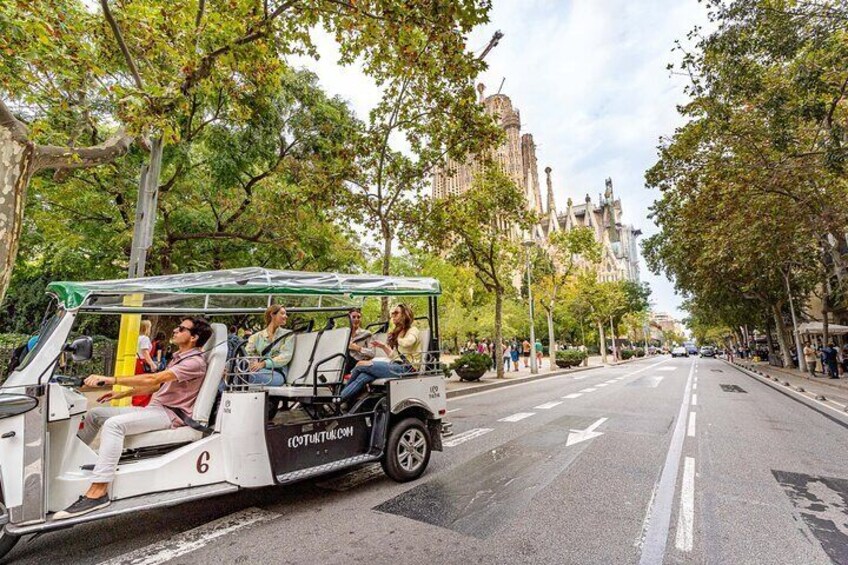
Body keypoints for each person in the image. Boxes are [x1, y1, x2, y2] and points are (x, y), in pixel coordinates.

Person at [54, 317, 212, 520]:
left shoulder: (194, 362)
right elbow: (156, 386)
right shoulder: (180, 357)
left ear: (194, 337)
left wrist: (113, 380)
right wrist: (121, 393)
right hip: (156, 408)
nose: (175, 330)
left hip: (170, 414)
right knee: (95, 415)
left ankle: (98, 491)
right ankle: (70, 460)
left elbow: (153, 378)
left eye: (181, 328)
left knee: (114, 425)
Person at [339, 304, 420, 405]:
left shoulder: (413, 330)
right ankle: (341, 400)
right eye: (392, 313)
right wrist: (383, 346)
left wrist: (396, 338)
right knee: (363, 377)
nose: (393, 316)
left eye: (396, 313)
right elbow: (395, 356)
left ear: (405, 314)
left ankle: (338, 399)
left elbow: (409, 341)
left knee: (360, 364)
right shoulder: (400, 332)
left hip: (407, 369)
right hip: (397, 365)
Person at [241, 305, 295, 386]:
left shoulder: (288, 335)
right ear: (272, 315)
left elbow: (285, 356)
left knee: (243, 376)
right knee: (231, 373)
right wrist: (252, 362)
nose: (286, 316)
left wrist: (264, 363)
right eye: (283, 313)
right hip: (258, 370)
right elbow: (247, 354)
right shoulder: (256, 337)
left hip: (276, 373)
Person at [133, 320, 158, 407]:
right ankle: (140, 403)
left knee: (136, 383)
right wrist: (152, 364)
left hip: (135, 361)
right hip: (142, 362)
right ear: (147, 328)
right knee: (145, 383)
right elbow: (145, 352)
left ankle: (135, 400)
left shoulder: (135, 338)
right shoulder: (145, 338)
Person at [346, 308, 375, 375]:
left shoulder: (367, 334)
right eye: (353, 317)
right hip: (345, 362)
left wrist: (358, 348)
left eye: (358, 317)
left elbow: (372, 353)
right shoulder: (345, 334)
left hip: (359, 362)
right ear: (349, 319)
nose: (356, 319)